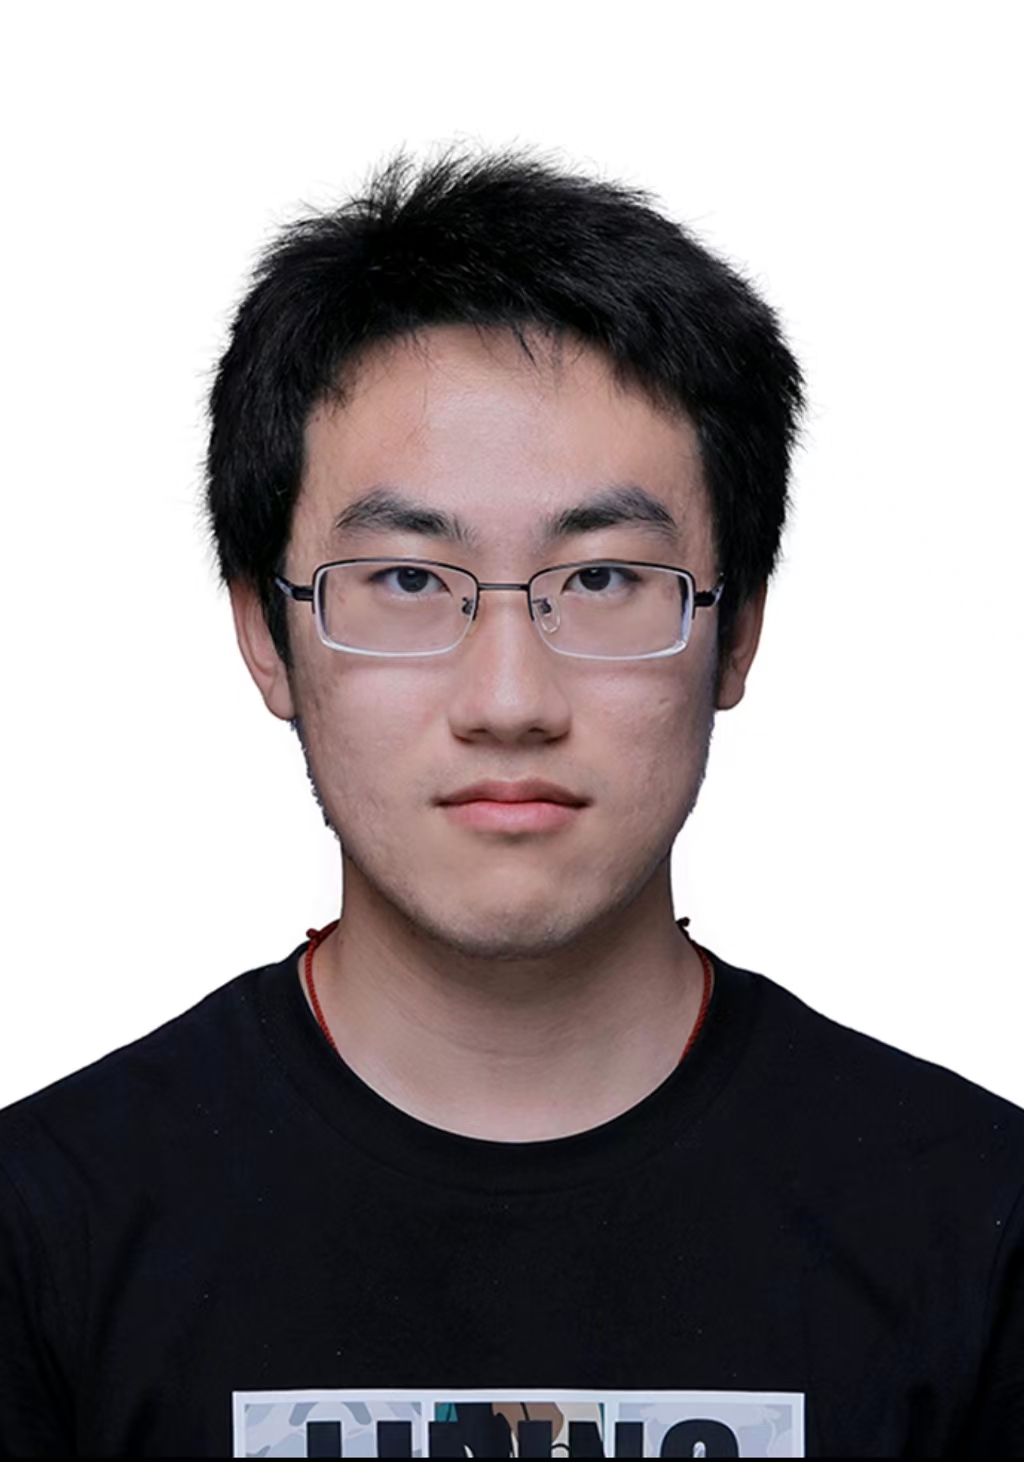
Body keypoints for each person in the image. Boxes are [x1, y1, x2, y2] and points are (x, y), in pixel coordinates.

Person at [0, 150, 1020, 1461]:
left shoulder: (978, 1228)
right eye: (407, 581)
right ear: (266, 634)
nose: (508, 698)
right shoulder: (47, 1234)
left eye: (601, 581)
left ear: (738, 632)